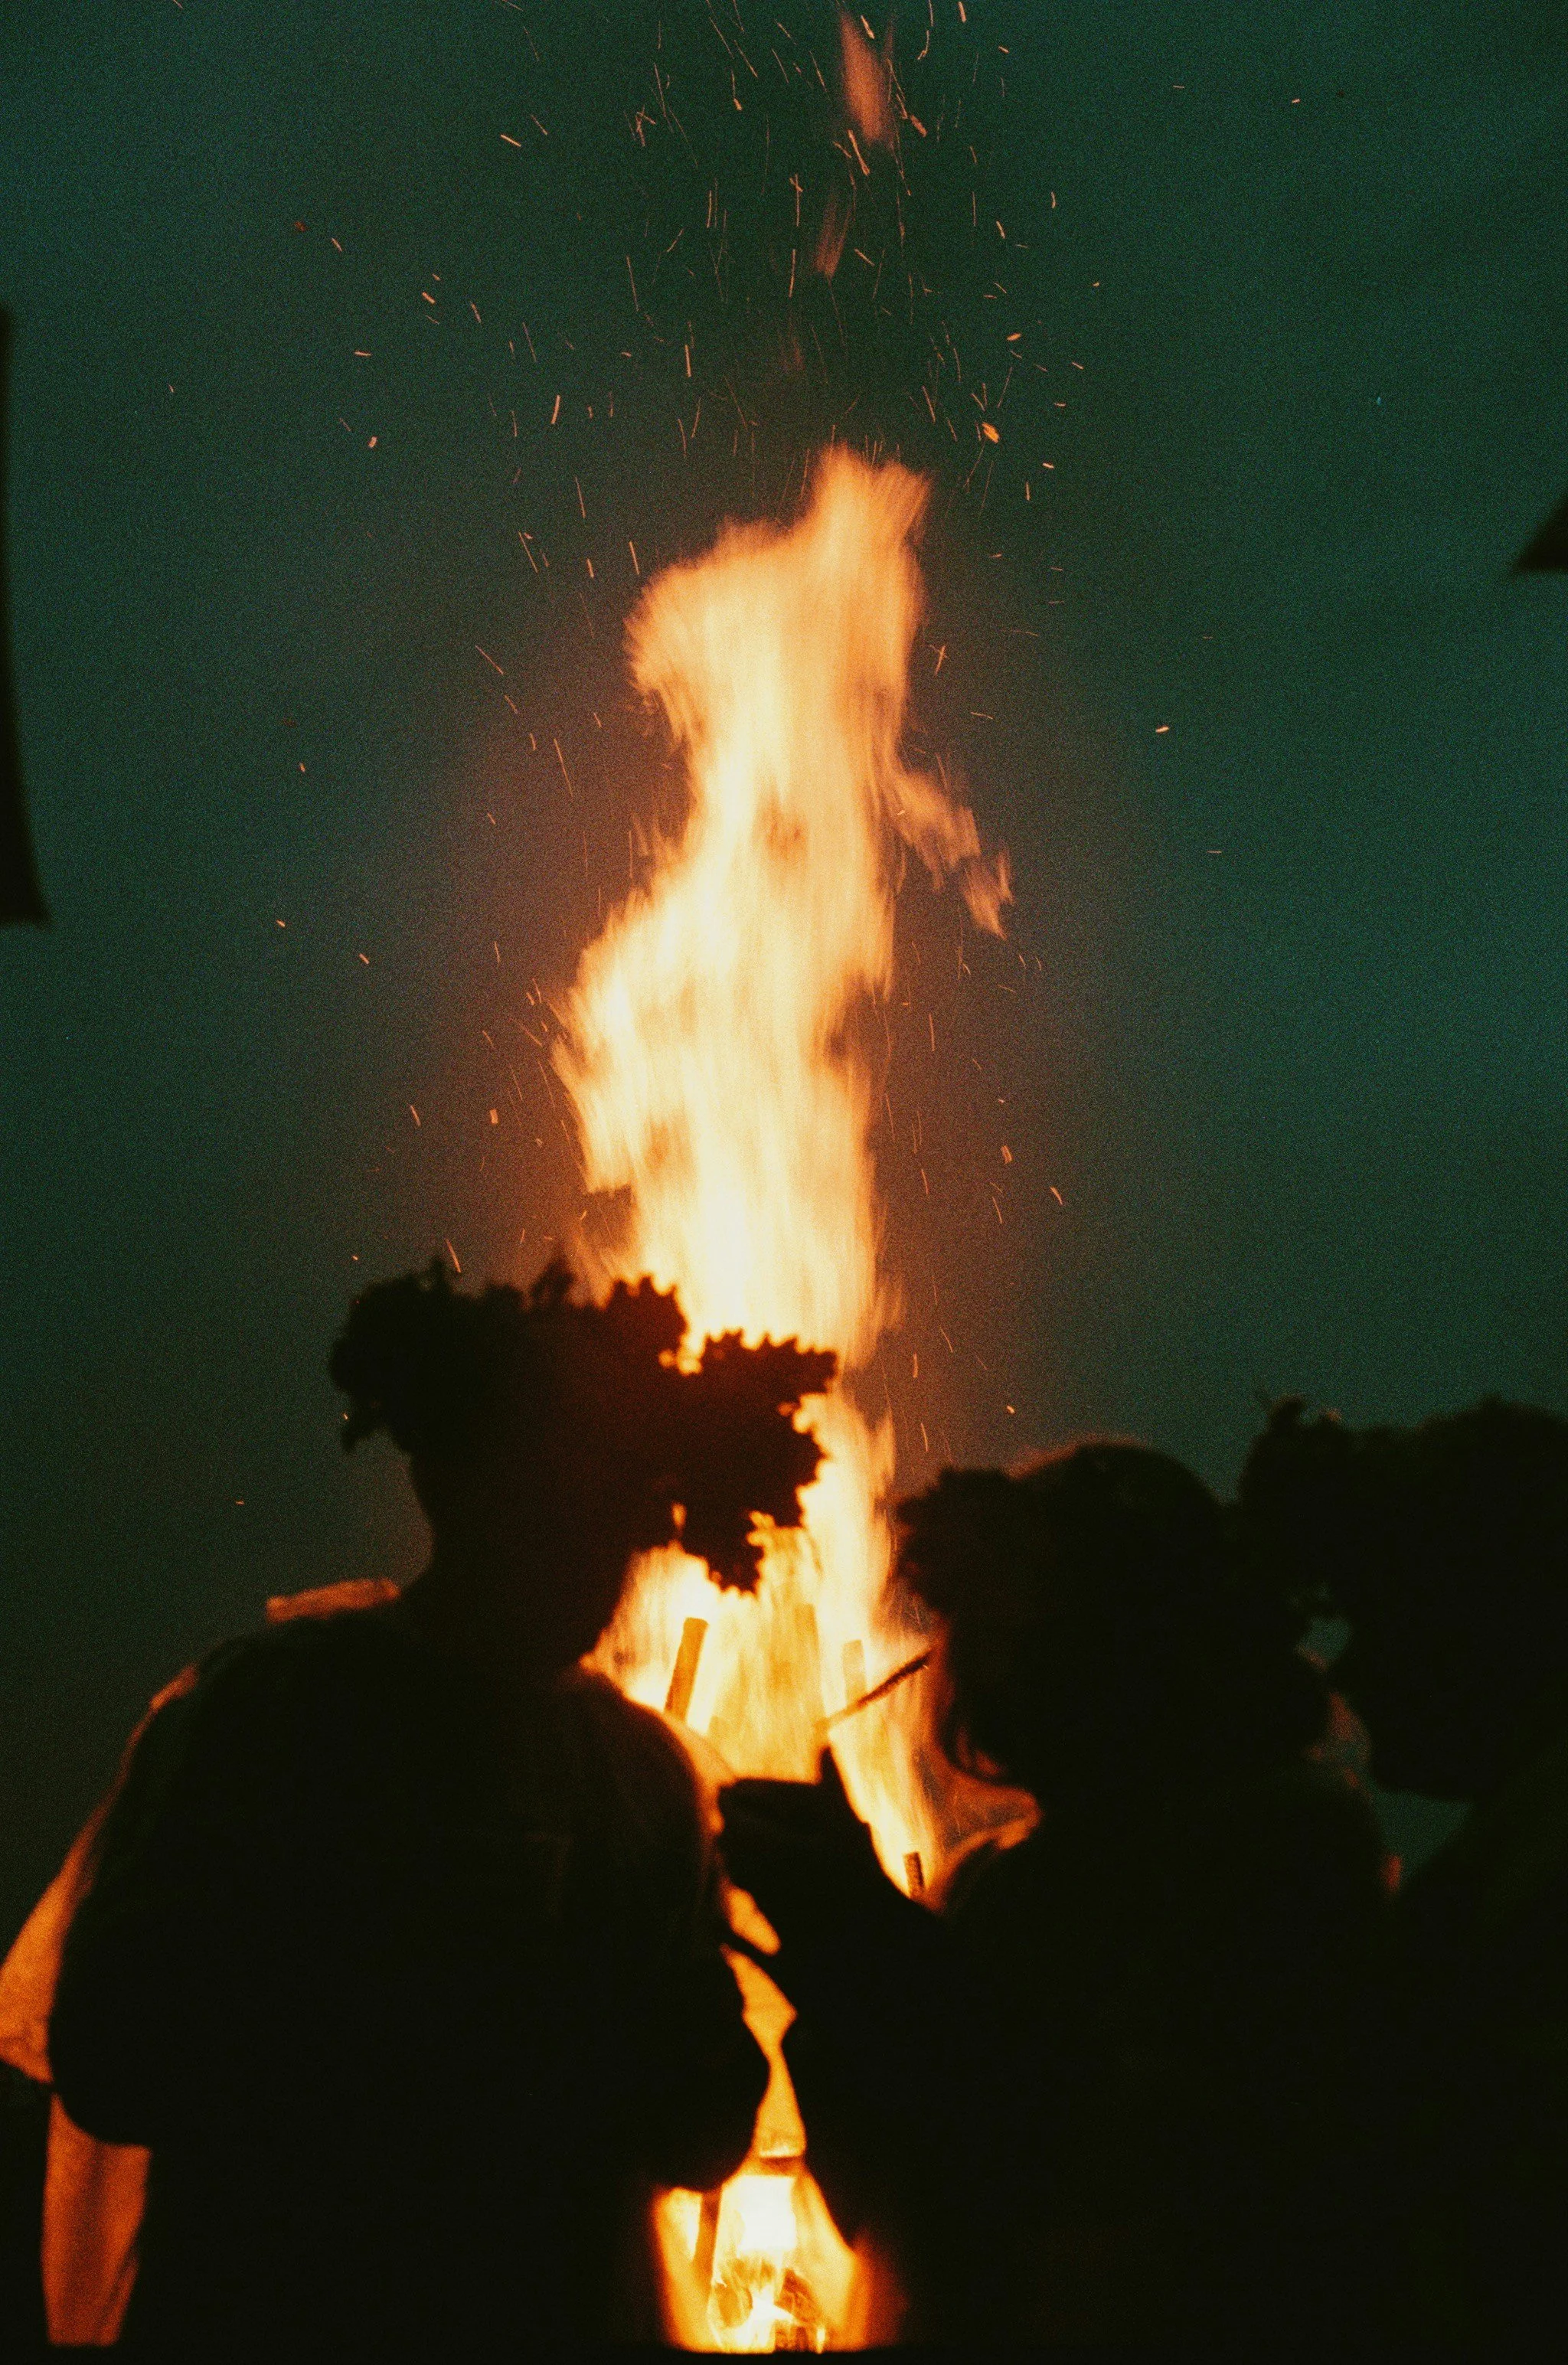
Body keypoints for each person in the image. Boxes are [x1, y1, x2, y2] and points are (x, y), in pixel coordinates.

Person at [46, 1259, 831, 2354]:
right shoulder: (273, 1719)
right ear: (449, 1489)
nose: (586, 1557)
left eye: (613, 1516)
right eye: (549, 1504)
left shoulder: (639, 1775)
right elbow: (110, 2053)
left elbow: (699, 2131)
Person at [720, 1440, 1388, 2342]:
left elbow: (1111, 2168)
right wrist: (826, 1958)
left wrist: (869, 1940)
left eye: (1026, 1631)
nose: (985, 1667)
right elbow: (894, 2204)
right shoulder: (993, 1877)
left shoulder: (1280, 1857)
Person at [1239, 1396, 1568, 2343]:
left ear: (1481, 1620)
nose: (1342, 1675)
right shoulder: (1513, 1855)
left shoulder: (1525, 1896)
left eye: (1378, 1621)